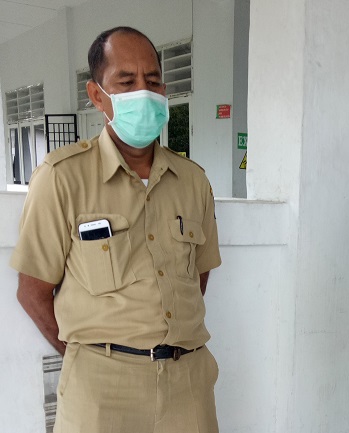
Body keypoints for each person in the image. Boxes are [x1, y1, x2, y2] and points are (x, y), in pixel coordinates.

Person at [11, 26, 221, 433]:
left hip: (188, 383)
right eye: (126, 82)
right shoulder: (62, 177)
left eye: (153, 81)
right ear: (96, 95)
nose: (143, 91)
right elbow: (32, 291)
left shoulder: (193, 181)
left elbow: (198, 276)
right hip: (101, 392)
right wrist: (92, 357)